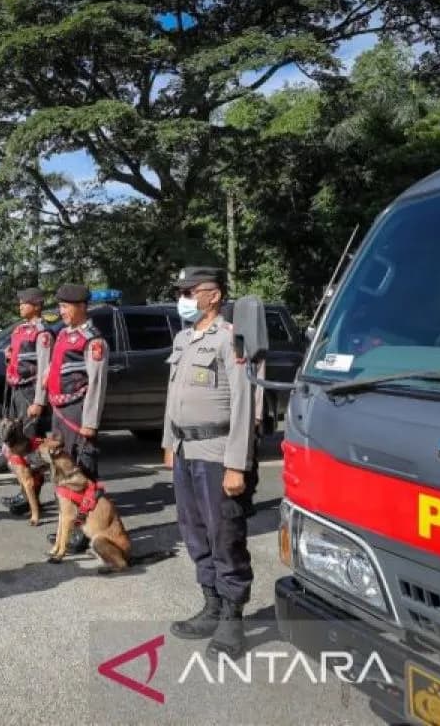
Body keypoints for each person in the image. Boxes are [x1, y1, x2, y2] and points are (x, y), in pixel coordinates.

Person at [161, 267, 256, 659]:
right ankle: (211, 605)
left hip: (218, 453)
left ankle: (233, 618)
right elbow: (173, 395)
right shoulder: (184, 337)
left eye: (190, 291)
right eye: (181, 291)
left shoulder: (230, 337)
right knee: (194, 532)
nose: (183, 297)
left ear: (213, 295)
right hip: (186, 451)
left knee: (225, 534)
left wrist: (237, 464)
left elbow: (244, 402)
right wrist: (169, 442)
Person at [35, 284, 108, 553]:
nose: (61, 311)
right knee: (64, 470)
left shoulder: (93, 340)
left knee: (83, 470)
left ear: (81, 307)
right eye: (61, 306)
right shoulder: (65, 334)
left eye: (66, 307)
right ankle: (66, 527)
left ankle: (83, 530)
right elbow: (56, 365)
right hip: (60, 412)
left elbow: (97, 384)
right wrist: (47, 380)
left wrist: (90, 422)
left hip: (78, 413)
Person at [0, 288, 53, 516]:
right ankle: (24, 490)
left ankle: (32, 496)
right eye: (20, 302)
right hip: (17, 390)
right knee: (16, 442)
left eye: (25, 303)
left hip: (31, 391)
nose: (20, 306)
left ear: (37, 306)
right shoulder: (22, 330)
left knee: (30, 445)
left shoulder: (42, 333)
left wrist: (39, 400)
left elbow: (44, 369)